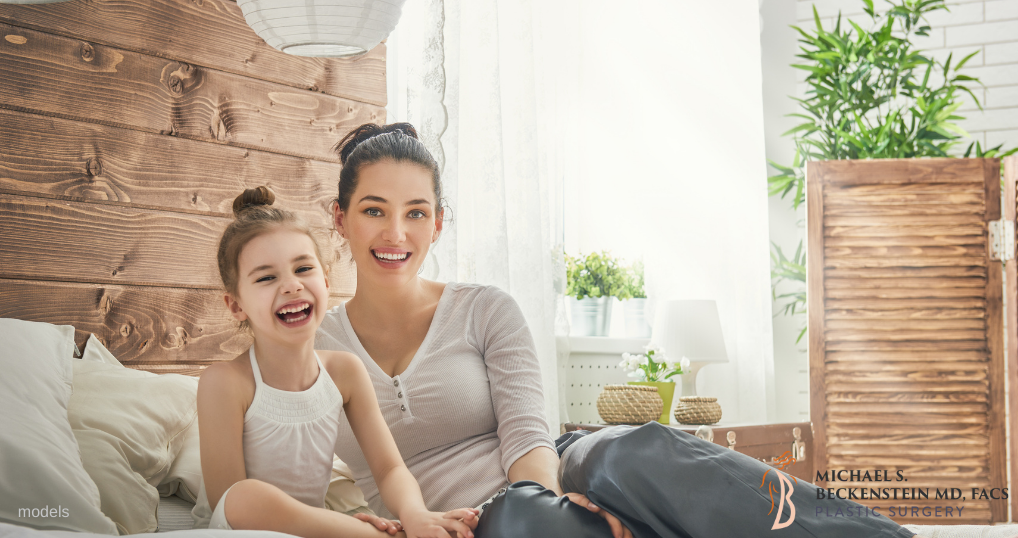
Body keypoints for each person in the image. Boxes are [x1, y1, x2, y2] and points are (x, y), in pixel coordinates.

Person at [315, 123, 920, 538]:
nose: (396, 233)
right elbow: (272, 479)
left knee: (631, 452)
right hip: (464, 522)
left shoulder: (484, 308)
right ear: (340, 218)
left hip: (547, 475)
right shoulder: (313, 352)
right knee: (524, 526)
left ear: (439, 223)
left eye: (416, 212)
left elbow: (528, 435)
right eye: (374, 210)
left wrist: (541, 499)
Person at [192, 186, 480, 538]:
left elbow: (389, 469)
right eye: (267, 277)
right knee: (246, 496)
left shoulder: (344, 371)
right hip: (240, 529)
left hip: (316, 529)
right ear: (235, 305)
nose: (292, 286)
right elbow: (230, 500)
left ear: (325, 282)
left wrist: (415, 513)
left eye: (303, 269)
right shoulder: (225, 382)